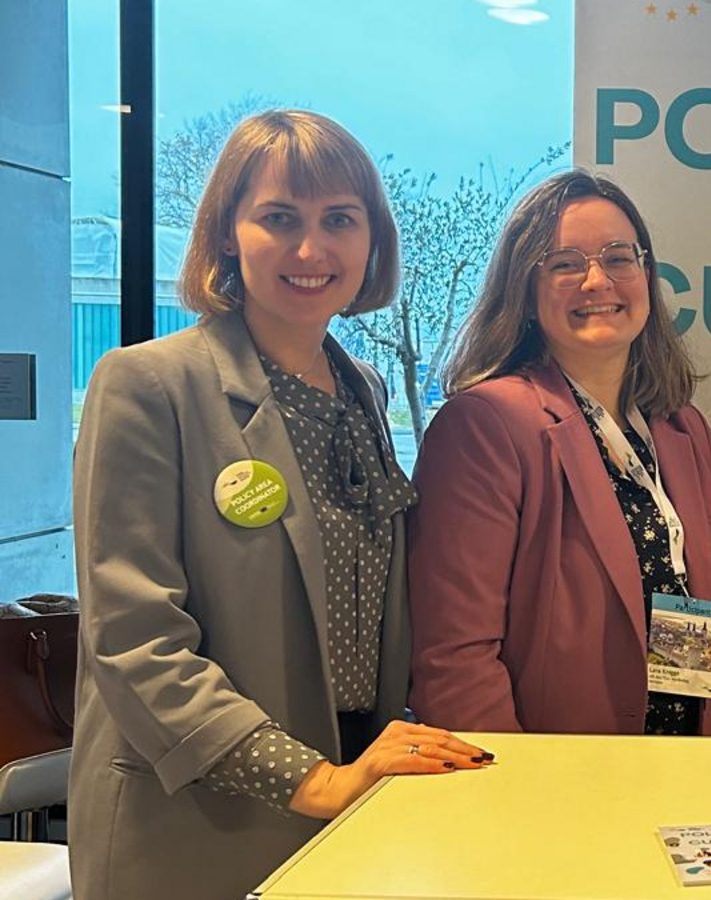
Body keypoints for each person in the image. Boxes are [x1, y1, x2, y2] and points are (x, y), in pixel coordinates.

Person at [69, 110, 486, 900]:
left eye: (339, 220)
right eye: (278, 218)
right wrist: (311, 780)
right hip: (198, 822)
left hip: (353, 799)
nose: (310, 249)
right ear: (228, 233)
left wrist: (354, 776)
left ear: (371, 241)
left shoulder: (360, 390)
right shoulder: (149, 385)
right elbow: (134, 640)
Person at [407, 170, 711, 736]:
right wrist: (516, 793)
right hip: (557, 787)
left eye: (619, 258)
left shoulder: (682, 430)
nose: (597, 281)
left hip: (685, 770)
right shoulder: (486, 426)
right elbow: (455, 661)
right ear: (525, 290)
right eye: (565, 263)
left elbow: (702, 614)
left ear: (646, 274)